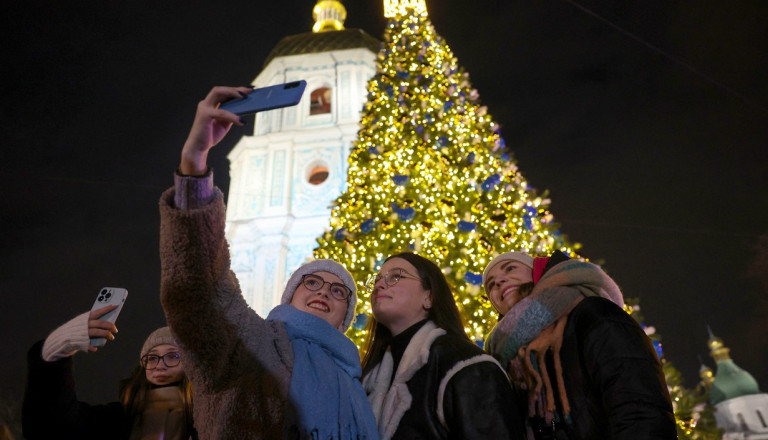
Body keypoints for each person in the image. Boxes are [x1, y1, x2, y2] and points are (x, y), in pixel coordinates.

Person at [159, 86, 378, 439]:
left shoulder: (361, 381)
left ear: (346, 319)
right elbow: (200, 289)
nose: (324, 290)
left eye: (339, 291)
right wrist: (194, 165)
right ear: (287, 297)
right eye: (311, 282)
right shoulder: (254, 343)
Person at [482, 250, 677, 439]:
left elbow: (641, 410)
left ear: (538, 270)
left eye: (510, 268)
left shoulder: (592, 314)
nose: (498, 281)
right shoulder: (509, 363)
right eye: (491, 285)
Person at [361, 252, 525, 439]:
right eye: (377, 280)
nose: (379, 285)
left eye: (396, 276)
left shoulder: (468, 366)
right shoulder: (367, 380)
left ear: (429, 297)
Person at [22, 307, 197, 440]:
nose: (160, 365)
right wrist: (57, 346)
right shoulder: (118, 419)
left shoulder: (204, 418)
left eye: (173, 356)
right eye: (151, 358)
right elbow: (51, 427)